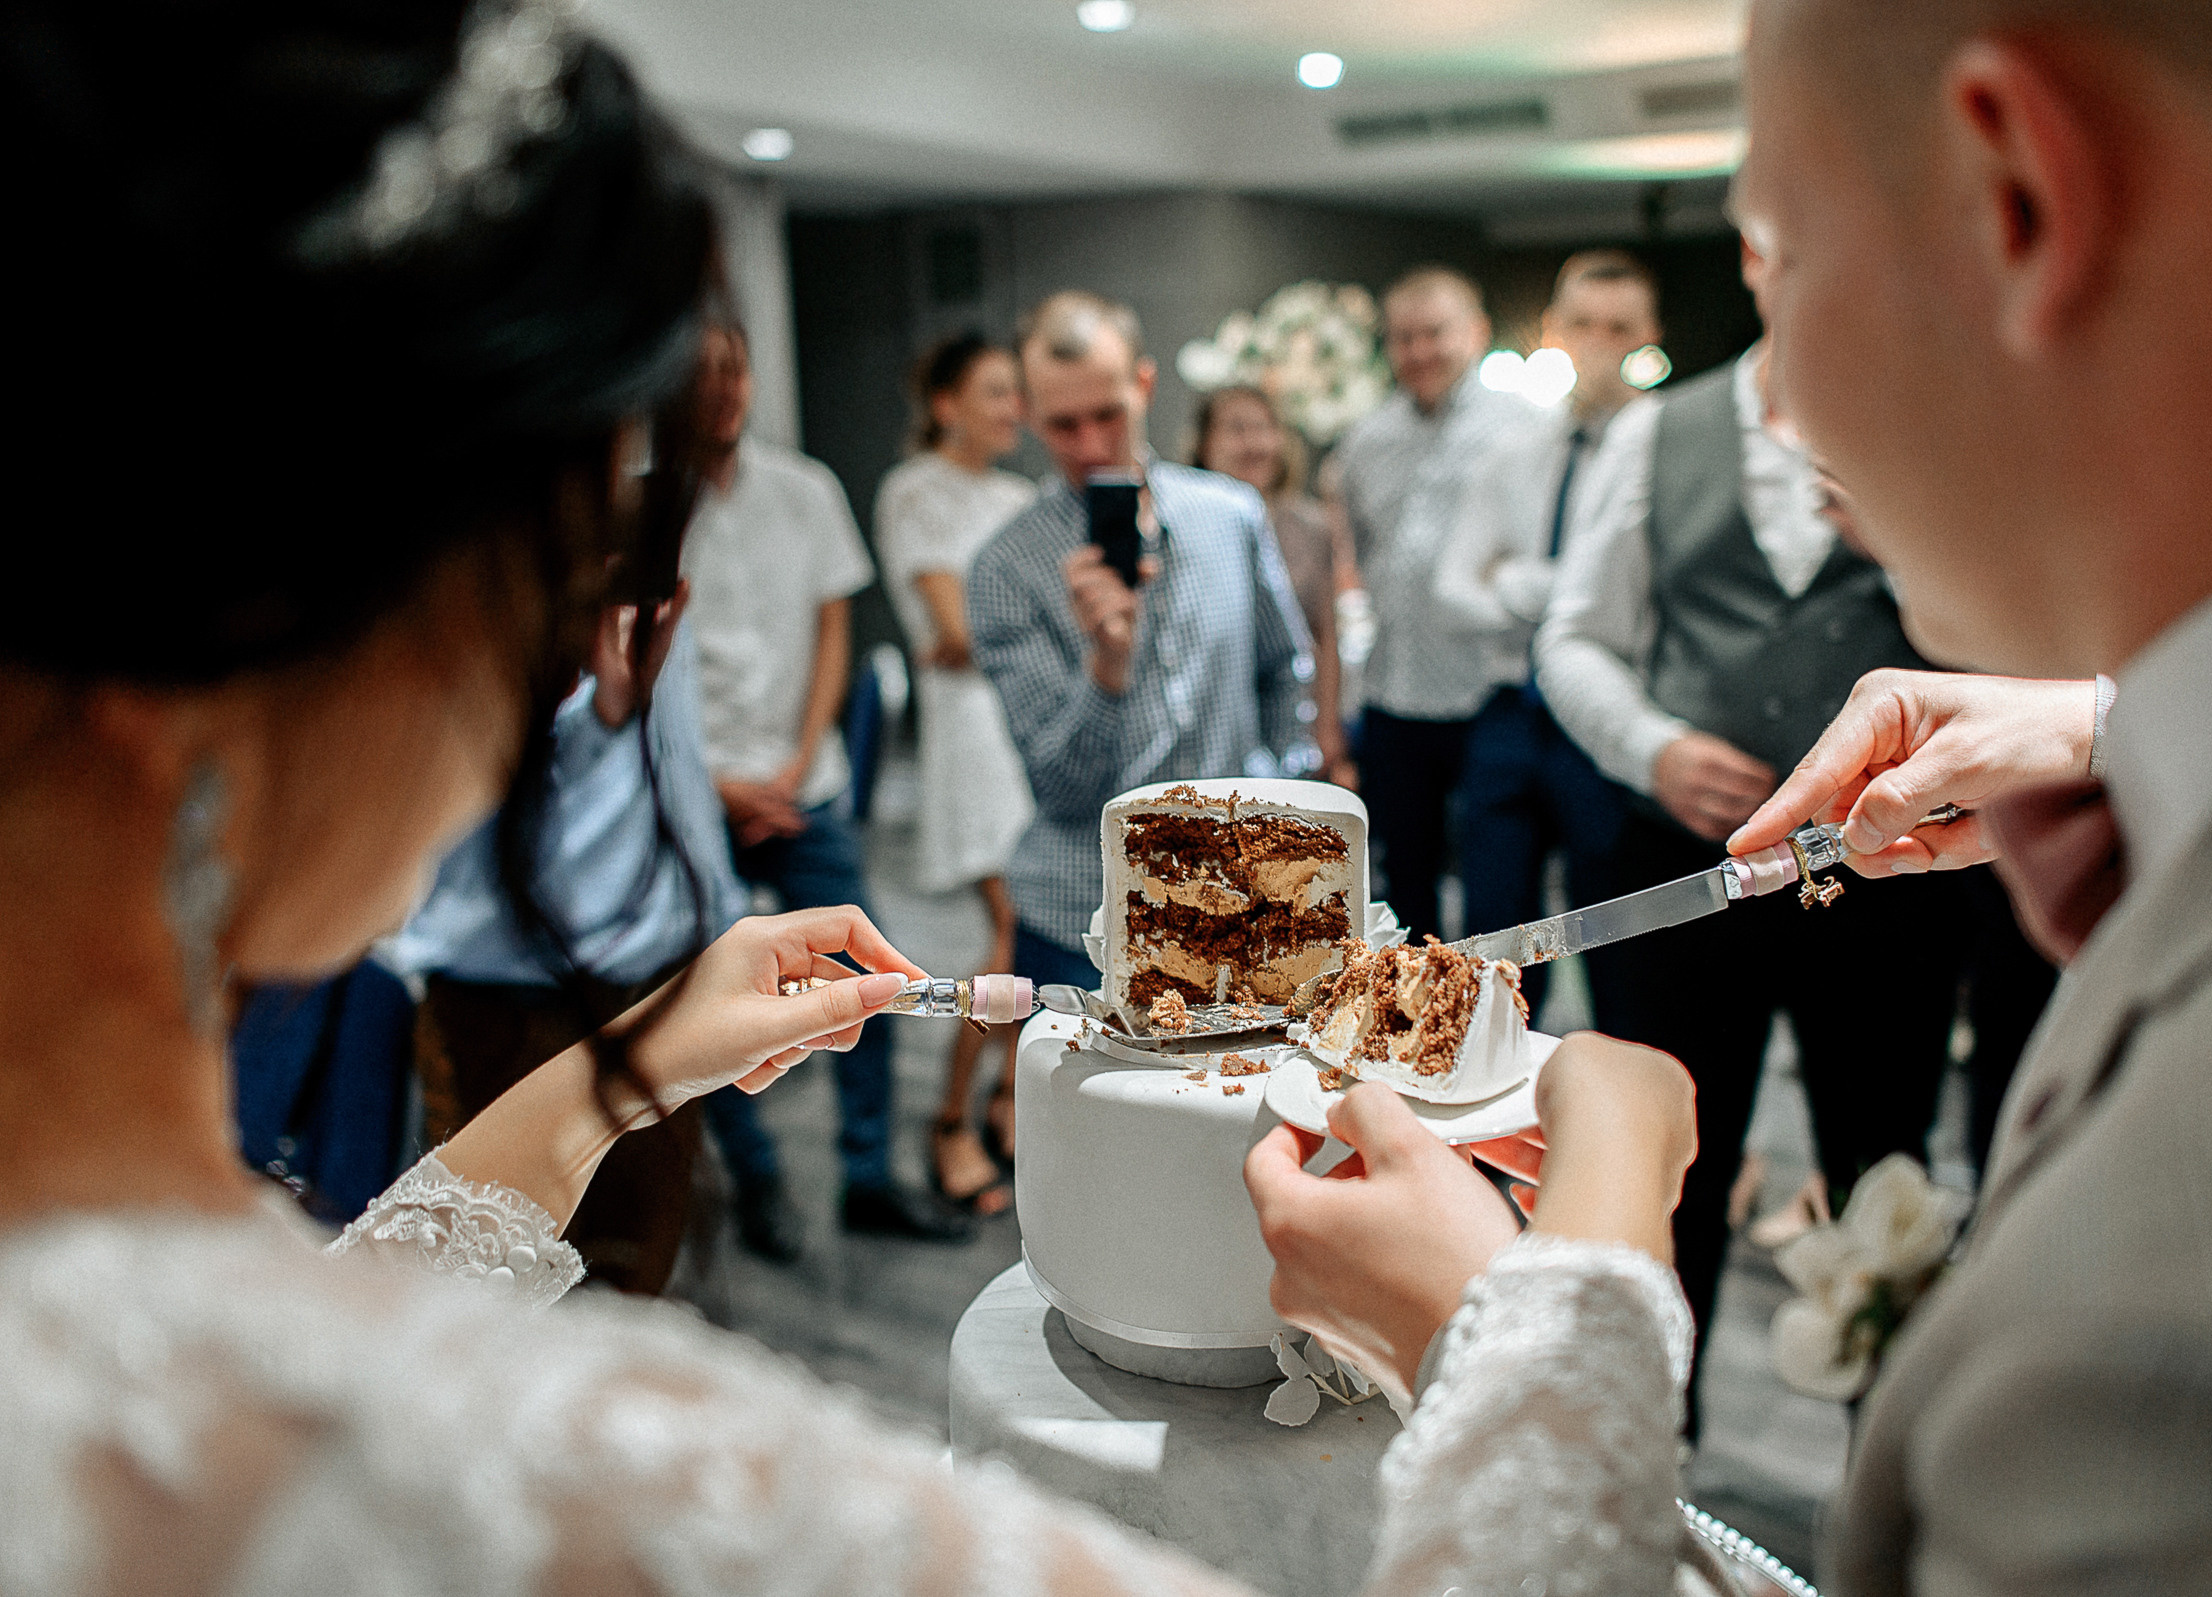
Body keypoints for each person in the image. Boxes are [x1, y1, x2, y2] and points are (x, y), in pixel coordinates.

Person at [2, 7, 1727, 1589]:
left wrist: (612, 1078)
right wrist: (1600, 1234)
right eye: (561, 570)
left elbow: (325, 1315)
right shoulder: (622, 1492)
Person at [1262, 0, 2212, 1583]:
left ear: (2019, 204)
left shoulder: (2207, 1384)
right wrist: (2103, 725)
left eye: (1784, 259)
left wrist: (1517, 1341)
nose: (1777, 387)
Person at [1533, 254, 1971, 1424]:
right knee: (1666, 1167)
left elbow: (2012, 641)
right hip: (1683, 876)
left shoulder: (1940, 428)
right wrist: (1653, 747)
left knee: (1885, 1167)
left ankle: (1892, 1467)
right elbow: (1573, 637)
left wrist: (1908, 545)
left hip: (1889, 878)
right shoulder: (1653, 437)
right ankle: (1645, 1456)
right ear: (1757, 260)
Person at [680, 320, 968, 1242]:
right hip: (696, 794)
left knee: (866, 974)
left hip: (804, 784)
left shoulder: (806, 491)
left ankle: (867, 1173)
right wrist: (717, 781)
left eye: (735, 369)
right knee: (707, 993)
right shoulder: (637, 508)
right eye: (701, 373)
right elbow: (636, 670)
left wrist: (799, 763)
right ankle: (757, 1176)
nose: (722, 388)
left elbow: (833, 634)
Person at [393, 579, 766, 1290]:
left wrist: (717, 912)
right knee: (490, 1262)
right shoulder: (493, 569)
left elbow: (669, 751)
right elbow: (462, 764)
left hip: (662, 959)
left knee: (637, 1248)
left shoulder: (649, 550)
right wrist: (603, 713)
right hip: (511, 982)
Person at [967, 291, 1315, 1001]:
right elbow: (1059, 789)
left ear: (1145, 386)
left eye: (1108, 414)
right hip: (1086, 914)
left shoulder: (1232, 515)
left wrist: (1280, 796)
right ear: (1029, 415)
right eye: (1064, 424)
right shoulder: (1005, 568)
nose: (1092, 444)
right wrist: (1106, 667)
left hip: (1242, 895)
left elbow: (1284, 671)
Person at [1431, 249, 1665, 1023]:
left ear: (1648, 333)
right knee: (1493, 932)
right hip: (1510, 710)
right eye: (1582, 323)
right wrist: (1525, 592)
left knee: (1616, 931)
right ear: (1553, 329)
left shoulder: (1665, 449)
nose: (1599, 340)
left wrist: (1529, 580)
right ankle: (1485, 1105)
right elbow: (1452, 586)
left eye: (1619, 326)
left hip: (1607, 710)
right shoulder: (1513, 451)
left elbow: (1649, 599)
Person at [874, 331, 1037, 1215]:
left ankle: (1007, 1101)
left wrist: (995, 636)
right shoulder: (916, 492)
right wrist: (1018, 633)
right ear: (945, 404)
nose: (1016, 410)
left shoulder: (1021, 494)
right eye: (996, 393)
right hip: (972, 740)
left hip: (1028, 731)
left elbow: (986, 635)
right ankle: (948, 1118)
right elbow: (958, 629)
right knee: (1012, 933)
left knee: (1036, 930)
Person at [1329, 266, 1538, 943]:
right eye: (1403, 338)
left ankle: (1498, 1026)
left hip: (1489, 691)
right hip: (1395, 690)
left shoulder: (1527, 428)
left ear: (1475, 332)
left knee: (1497, 884)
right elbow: (1355, 549)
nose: (1419, 351)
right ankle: (1415, 1030)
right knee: (1403, 882)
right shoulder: (1366, 439)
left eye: (1435, 333)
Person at [1191, 383, 1359, 788]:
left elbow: (1324, 634)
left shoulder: (1312, 526)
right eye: (1236, 429)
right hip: (1212, 720)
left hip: (1290, 719)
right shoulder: (1187, 525)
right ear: (1204, 443)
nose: (1253, 443)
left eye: (1263, 428)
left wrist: (1327, 724)